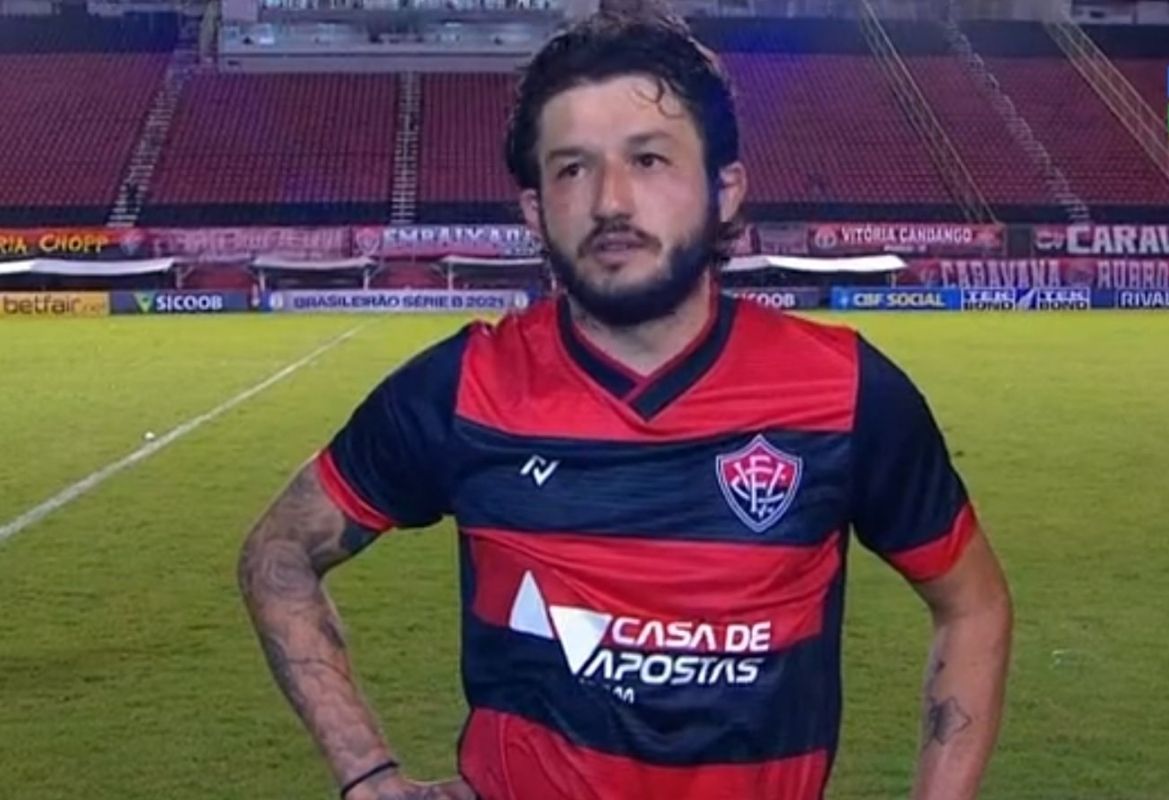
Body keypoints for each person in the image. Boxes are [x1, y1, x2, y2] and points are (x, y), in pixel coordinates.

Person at [238, 11, 1013, 800]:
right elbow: (278, 553)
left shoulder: (847, 393)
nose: (610, 200)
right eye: (572, 168)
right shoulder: (463, 388)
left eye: (648, 159)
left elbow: (973, 607)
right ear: (536, 210)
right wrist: (369, 775)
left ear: (724, 190)